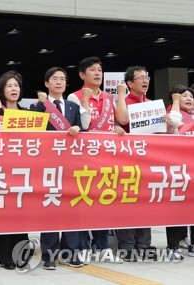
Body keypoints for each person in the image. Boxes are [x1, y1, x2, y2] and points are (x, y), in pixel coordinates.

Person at [66, 57, 126, 264]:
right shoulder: (74, 97)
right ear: (82, 75)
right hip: (84, 159)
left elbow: (122, 121)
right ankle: (83, 245)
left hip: (107, 157)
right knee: (84, 201)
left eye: (100, 70)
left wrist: (118, 126)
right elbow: (82, 125)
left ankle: (102, 246)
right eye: (92, 70)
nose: (98, 73)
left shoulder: (109, 98)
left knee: (104, 201)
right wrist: (85, 98)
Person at [30, 67, 83, 270]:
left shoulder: (73, 107)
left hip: (71, 166)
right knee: (51, 207)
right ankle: (49, 254)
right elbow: (34, 132)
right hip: (48, 164)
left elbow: (82, 132)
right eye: (55, 79)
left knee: (71, 207)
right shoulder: (39, 106)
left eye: (62, 79)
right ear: (46, 83)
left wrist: (78, 129)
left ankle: (70, 252)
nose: (59, 82)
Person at [0, 71, 29, 270]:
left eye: (16, 86)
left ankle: (21, 252)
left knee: (21, 212)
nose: (14, 89)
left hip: (22, 170)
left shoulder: (27, 112)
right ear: (1, 90)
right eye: (9, 86)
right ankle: (5, 255)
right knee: (4, 213)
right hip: (1, 170)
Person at [116, 66, 156, 262]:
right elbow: (122, 119)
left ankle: (144, 245)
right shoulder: (124, 102)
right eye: (140, 77)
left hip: (147, 160)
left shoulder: (151, 104)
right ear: (130, 83)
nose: (145, 80)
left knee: (145, 202)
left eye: (146, 77)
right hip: (127, 159)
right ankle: (127, 246)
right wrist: (121, 96)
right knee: (128, 201)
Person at [163, 84, 194, 261]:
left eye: (191, 96)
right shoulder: (171, 114)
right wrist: (175, 102)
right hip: (177, 170)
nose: (189, 98)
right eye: (184, 96)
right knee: (176, 209)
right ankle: (172, 247)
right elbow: (174, 123)